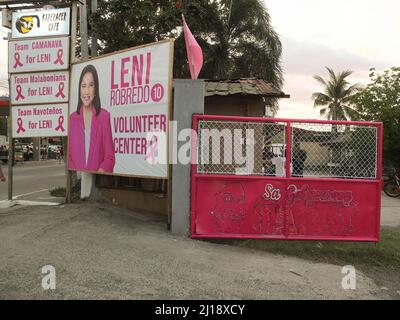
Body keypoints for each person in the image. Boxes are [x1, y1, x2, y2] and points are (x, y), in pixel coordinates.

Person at [69, 64, 115, 173]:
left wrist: (98, 174)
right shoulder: (72, 119)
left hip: (97, 181)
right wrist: (76, 173)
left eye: (91, 85)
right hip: (78, 181)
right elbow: (70, 156)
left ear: (96, 89)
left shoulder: (104, 116)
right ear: (79, 89)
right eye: (83, 86)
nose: (86, 91)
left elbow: (110, 158)